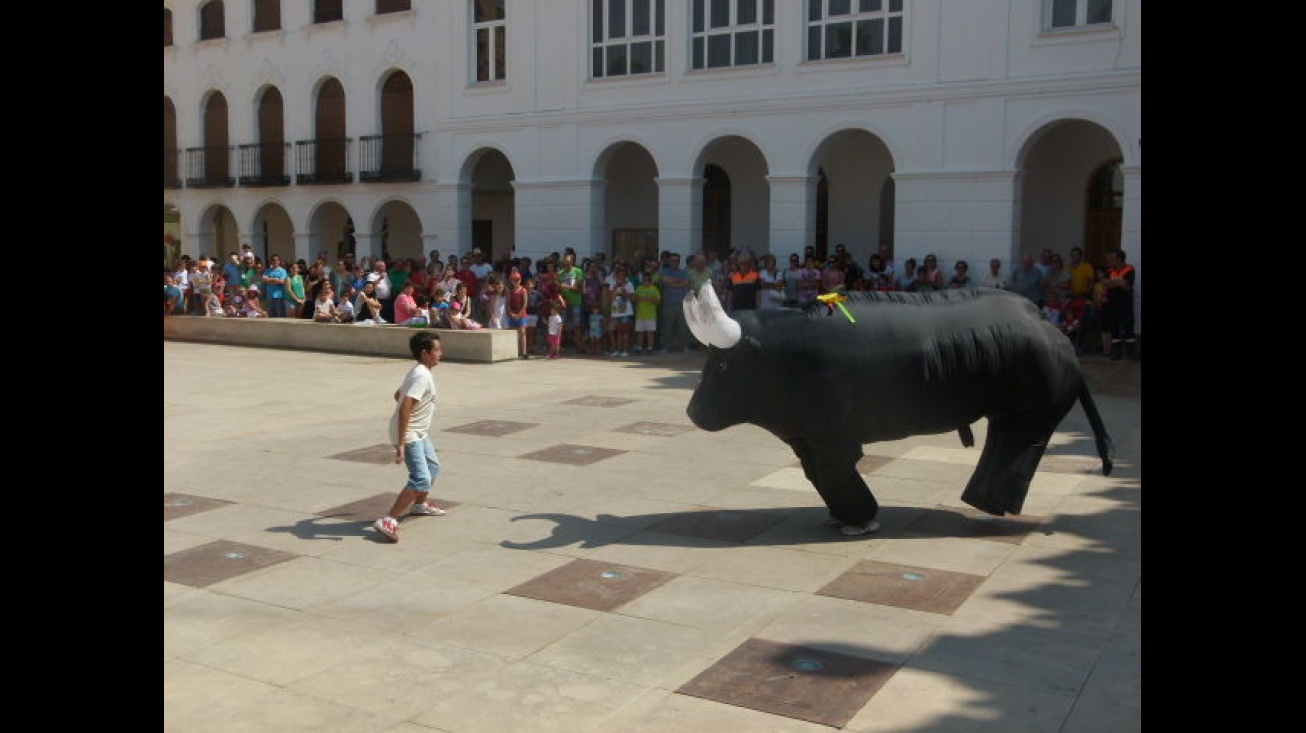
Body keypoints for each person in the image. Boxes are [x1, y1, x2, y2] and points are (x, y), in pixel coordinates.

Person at [372, 331, 449, 543]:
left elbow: (398, 395)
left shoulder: (419, 371)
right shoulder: (422, 375)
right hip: (410, 433)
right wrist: (402, 443)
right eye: (437, 350)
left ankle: (419, 505)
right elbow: (405, 407)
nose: (441, 353)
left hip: (419, 432)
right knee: (421, 478)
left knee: (433, 468)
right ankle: (388, 519)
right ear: (425, 354)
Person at [1101, 248, 1138, 360]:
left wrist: (1114, 283)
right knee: (1114, 328)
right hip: (1112, 303)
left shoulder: (1129, 269)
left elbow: (1126, 286)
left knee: (1128, 327)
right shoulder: (1109, 271)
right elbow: (1106, 284)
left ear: (1119, 259)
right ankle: (1116, 353)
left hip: (1125, 303)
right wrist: (1118, 282)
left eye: (1111, 258)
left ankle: (1132, 354)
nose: (1108, 260)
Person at [632, 273, 661, 355]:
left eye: (648, 280)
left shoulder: (654, 289)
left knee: (650, 332)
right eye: (645, 280)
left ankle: (650, 348)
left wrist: (652, 300)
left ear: (651, 281)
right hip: (640, 314)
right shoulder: (638, 289)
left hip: (651, 315)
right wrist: (639, 298)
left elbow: (658, 301)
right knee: (640, 333)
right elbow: (633, 299)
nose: (647, 281)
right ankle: (639, 348)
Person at [506, 271, 530, 358]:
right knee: (513, 333)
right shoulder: (510, 291)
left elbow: (525, 303)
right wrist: (511, 314)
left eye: (517, 279)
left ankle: (523, 352)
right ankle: (515, 351)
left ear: (520, 280)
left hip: (522, 314)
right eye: (514, 280)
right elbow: (507, 304)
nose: (516, 281)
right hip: (513, 314)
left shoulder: (523, 290)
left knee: (522, 333)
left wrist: (519, 314)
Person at [545, 295, 565, 359]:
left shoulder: (558, 317)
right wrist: (545, 321)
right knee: (551, 344)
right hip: (551, 333)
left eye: (553, 310)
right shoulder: (550, 317)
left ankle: (557, 354)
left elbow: (560, 325)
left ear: (556, 311)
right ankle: (551, 354)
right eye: (551, 310)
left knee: (556, 344)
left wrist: (559, 332)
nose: (551, 311)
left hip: (556, 333)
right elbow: (549, 324)